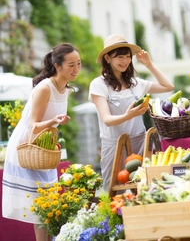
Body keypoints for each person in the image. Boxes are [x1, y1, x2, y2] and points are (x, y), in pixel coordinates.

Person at [2, 43, 81, 241]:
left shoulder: (66, 90)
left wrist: (54, 125)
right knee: (40, 207)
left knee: (47, 205)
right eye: (71, 65)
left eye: (78, 64)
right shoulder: (44, 88)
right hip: (28, 147)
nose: (76, 69)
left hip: (44, 149)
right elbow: (34, 125)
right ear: (57, 66)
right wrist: (54, 121)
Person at [89, 34, 174, 192]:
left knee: (143, 187)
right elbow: (107, 119)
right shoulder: (98, 84)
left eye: (128, 56)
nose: (125, 61)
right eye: (120, 57)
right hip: (113, 144)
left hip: (140, 143)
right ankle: (114, 217)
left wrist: (149, 65)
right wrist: (129, 115)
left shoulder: (135, 83)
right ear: (107, 58)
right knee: (113, 189)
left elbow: (168, 86)